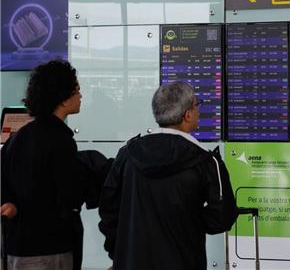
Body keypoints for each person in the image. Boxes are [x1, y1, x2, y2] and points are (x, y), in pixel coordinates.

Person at [98, 82, 237, 270]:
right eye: (197, 105)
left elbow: (108, 208)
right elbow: (223, 217)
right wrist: (190, 222)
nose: (198, 110)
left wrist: (119, 253)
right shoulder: (206, 161)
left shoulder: (128, 154)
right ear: (188, 115)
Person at [1, 59, 84, 270]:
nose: (80, 96)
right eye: (76, 90)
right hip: (50, 249)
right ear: (63, 99)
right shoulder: (60, 141)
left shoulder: (17, 137)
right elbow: (69, 197)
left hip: (16, 248)